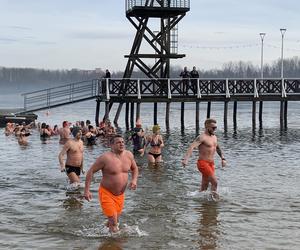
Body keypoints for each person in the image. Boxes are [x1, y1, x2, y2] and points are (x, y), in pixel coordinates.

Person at [84, 135, 138, 233]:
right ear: (111, 145)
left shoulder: (129, 155)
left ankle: (102, 232)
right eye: (118, 142)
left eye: (122, 142)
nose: (121, 144)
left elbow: (135, 168)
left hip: (120, 195)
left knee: (115, 221)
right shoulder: (105, 158)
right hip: (106, 193)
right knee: (114, 222)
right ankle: (115, 244)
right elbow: (91, 171)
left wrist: (134, 180)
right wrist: (86, 190)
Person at [182, 118, 226, 199]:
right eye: (213, 128)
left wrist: (223, 158)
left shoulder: (214, 137)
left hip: (211, 164)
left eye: (215, 127)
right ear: (207, 127)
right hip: (203, 163)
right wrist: (186, 159)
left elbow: (218, 148)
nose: (215, 129)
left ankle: (195, 200)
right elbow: (191, 147)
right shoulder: (202, 137)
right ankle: (214, 203)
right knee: (215, 182)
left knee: (204, 187)